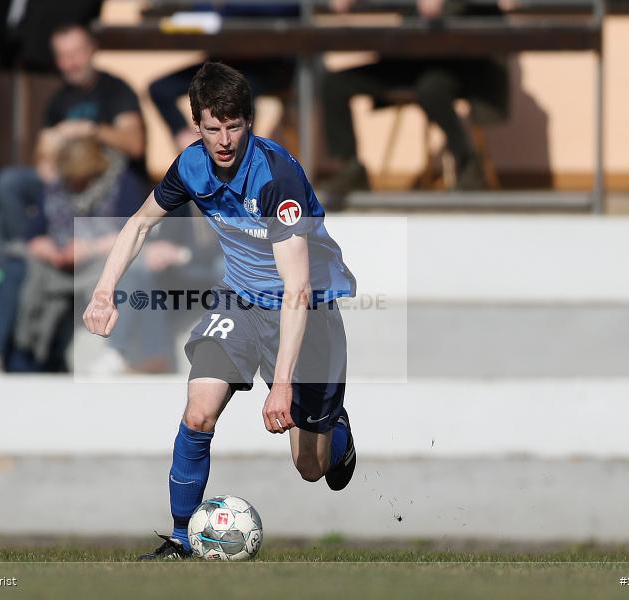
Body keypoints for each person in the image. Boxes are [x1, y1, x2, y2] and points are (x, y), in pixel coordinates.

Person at [83, 62, 358, 560]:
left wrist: (281, 384)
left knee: (311, 466)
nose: (224, 139)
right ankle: (182, 538)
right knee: (198, 411)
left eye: (234, 126)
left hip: (307, 313)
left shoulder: (276, 177)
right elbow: (141, 223)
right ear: (197, 126)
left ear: (248, 122)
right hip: (239, 300)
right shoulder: (190, 165)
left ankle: (337, 432)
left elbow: (296, 288)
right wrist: (105, 290)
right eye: (213, 128)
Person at [0, 136, 145, 374]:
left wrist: (87, 248)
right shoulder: (57, 187)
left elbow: (133, 233)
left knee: (132, 270)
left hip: (100, 263)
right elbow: (33, 235)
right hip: (57, 266)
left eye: (81, 179)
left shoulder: (122, 184)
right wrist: (47, 248)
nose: (74, 185)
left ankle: (117, 353)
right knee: (15, 266)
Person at [320, 0, 510, 205]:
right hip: (411, 58)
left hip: (458, 61)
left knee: (431, 91)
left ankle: (468, 165)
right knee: (335, 83)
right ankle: (350, 167)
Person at [0, 23, 145, 244]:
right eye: (63, 56)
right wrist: (47, 162)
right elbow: (42, 154)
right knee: (9, 182)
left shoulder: (117, 90)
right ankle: (24, 254)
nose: (71, 63)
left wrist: (90, 130)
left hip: (110, 180)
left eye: (76, 53)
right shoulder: (58, 99)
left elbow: (135, 145)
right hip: (67, 179)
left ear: (92, 49)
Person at [148, 2, 297, 152]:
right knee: (160, 89)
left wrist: (224, 6)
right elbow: (200, 8)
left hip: (267, 65)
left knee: (241, 93)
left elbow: (289, 7)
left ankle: (244, 158)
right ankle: (195, 151)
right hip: (223, 60)